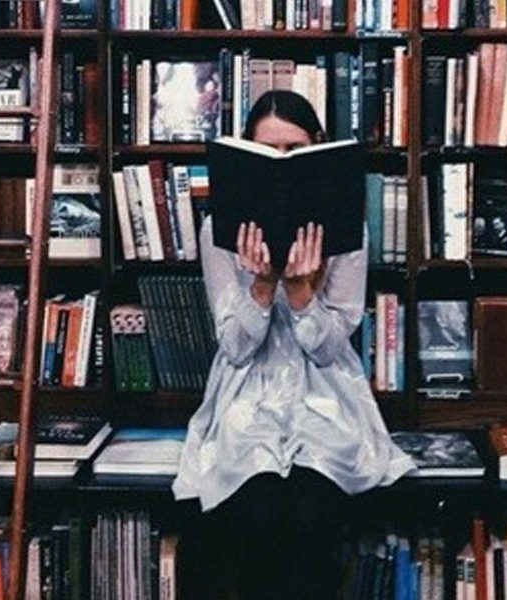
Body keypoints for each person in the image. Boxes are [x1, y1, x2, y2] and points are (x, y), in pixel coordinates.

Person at [172, 90, 414, 600]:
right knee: (255, 508)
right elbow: (235, 348)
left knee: (311, 511)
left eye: (294, 150)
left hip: (324, 393)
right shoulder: (218, 229)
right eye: (268, 151)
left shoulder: (346, 228)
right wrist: (261, 287)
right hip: (246, 394)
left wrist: (302, 293)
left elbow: (330, 349)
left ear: (316, 149)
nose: (281, 163)